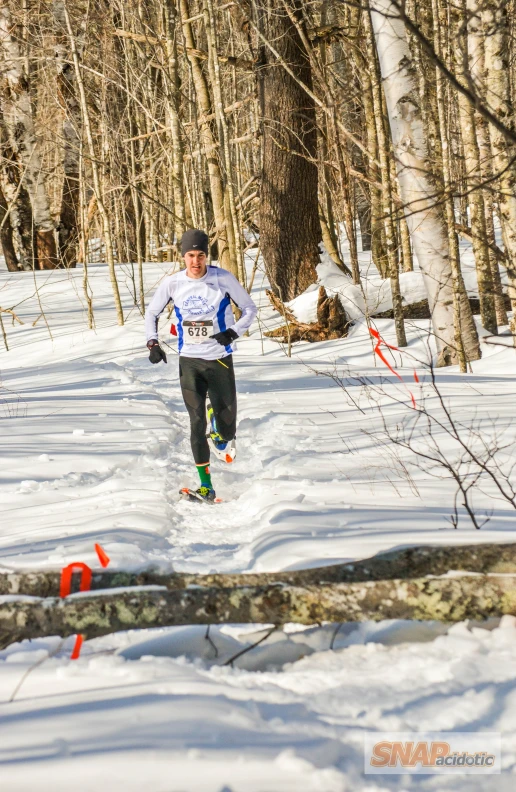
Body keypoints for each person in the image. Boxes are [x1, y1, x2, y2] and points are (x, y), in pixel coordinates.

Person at [145, 229, 257, 502]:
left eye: (201, 255)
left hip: (219, 358)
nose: (196, 261)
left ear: (207, 255)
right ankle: (206, 484)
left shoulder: (222, 279)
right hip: (190, 361)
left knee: (228, 430)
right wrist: (152, 342)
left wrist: (233, 332)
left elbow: (250, 308)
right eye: (191, 255)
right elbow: (152, 312)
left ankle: (218, 424)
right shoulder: (173, 284)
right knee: (195, 424)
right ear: (183, 257)